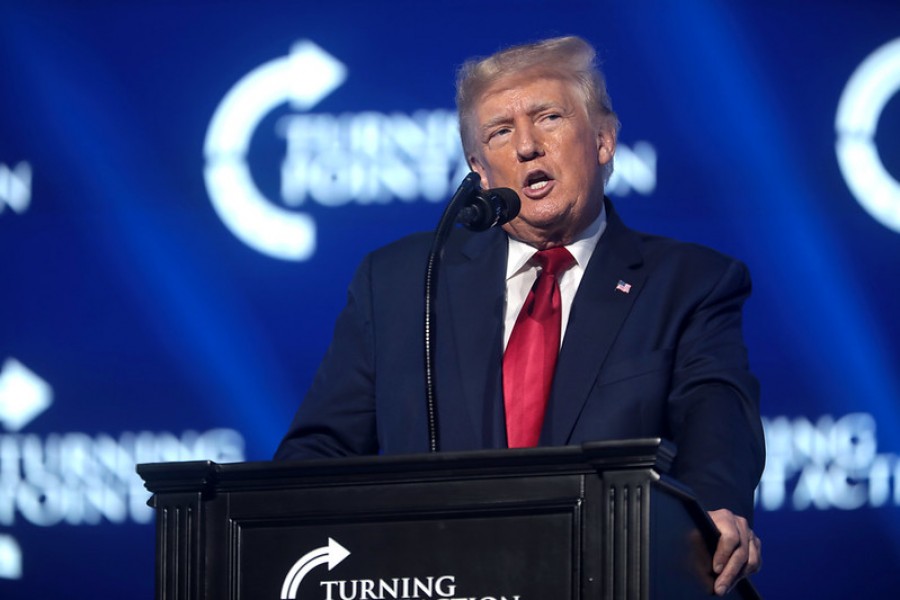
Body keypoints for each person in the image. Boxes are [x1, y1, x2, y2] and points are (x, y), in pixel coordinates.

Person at [276, 36, 765, 596]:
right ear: (480, 171)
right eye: (500, 132)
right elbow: (317, 456)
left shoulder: (689, 282)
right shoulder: (402, 283)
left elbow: (717, 419)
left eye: (549, 118)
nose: (527, 146)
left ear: (603, 139)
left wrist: (711, 512)